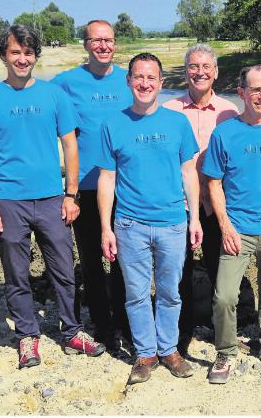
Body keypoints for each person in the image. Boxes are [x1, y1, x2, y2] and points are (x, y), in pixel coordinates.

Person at [0, 24, 105, 370]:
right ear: (3, 55)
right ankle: (28, 335)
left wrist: (71, 194)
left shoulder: (54, 96)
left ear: (35, 56)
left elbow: (70, 144)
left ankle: (72, 330)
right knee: (16, 273)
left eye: (28, 53)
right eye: (15, 52)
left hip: (51, 199)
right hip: (8, 200)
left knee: (64, 270)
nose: (22, 59)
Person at [97, 52, 202, 385]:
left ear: (161, 82)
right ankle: (145, 354)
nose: (144, 83)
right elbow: (107, 179)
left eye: (151, 78)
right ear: (129, 81)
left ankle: (170, 349)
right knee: (137, 293)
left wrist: (195, 219)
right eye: (138, 77)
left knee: (171, 292)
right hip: (130, 225)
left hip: (172, 222)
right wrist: (105, 228)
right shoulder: (113, 124)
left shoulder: (177, 123)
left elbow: (189, 174)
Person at [205, 64, 261, 384]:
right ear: (241, 93)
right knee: (225, 296)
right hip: (237, 229)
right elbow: (213, 183)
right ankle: (227, 351)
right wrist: (225, 226)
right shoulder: (224, 134)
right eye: (255, 89)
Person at [51, 20, 132, 349]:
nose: (103, 46)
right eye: (96, 40)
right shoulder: (67, 82)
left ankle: (127, 322)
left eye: (109, 40)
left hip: (125, 186)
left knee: (125, 258)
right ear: (85, 44)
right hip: (84, 185)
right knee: (92, 260)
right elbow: (42, 108)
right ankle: (102, 324)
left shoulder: (128, 79)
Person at [162, 44, 239, 356]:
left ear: (216, 73)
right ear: (185, 72)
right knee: (177, 271)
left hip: (217, 204)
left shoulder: (229, 112)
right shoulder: (169, 112)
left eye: (206, 67)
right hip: (179, 205)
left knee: (219, 267)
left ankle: (223, 329)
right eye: (194, 66)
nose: (200, 72)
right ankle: (182, 330)